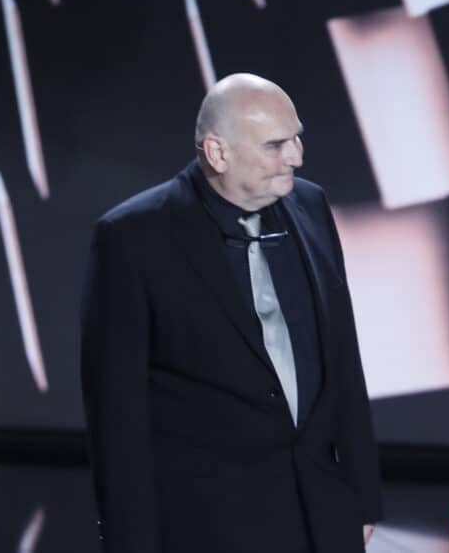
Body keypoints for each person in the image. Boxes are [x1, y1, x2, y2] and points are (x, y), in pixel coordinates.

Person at [80, 73, 382, 553]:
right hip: (208, 522)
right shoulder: (133, 237)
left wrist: (364, 497)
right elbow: (118, 414)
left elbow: (342, 354)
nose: (297, 156)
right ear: (218, 153)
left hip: (321, 512)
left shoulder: (310, 205)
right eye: (276, 145)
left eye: (297, 137)